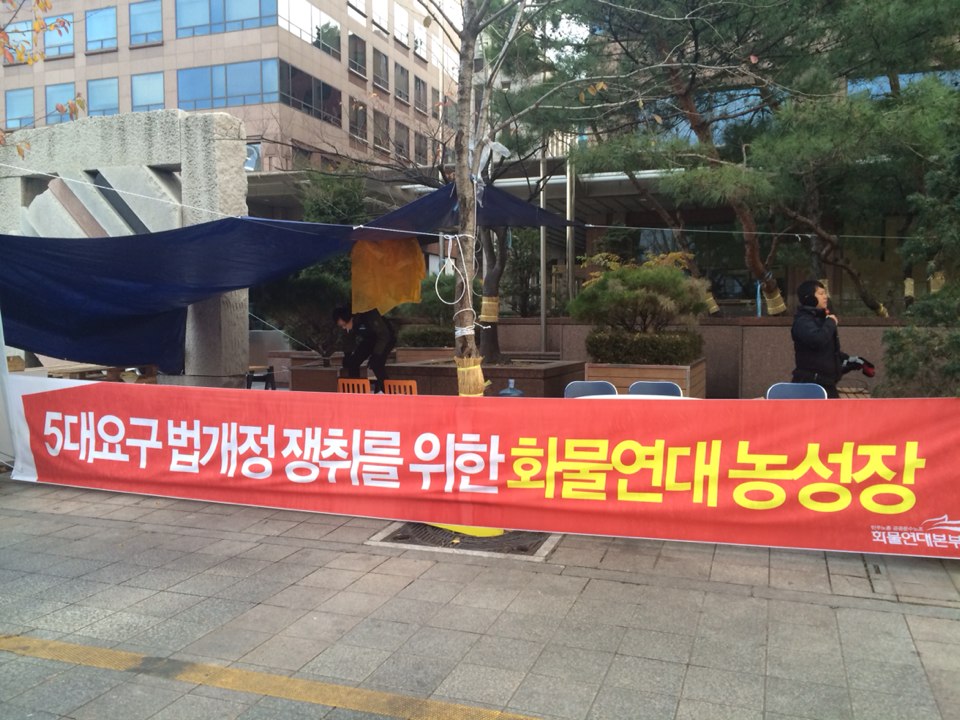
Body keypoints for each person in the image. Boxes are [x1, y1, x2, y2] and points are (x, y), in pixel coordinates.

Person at [790, 280, 847, 398]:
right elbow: (817, 340)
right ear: (809, 298)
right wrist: (831, 323)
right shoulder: (803, 321)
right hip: (810, 385)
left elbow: (828, 351)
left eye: (825, 293)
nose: (825, 297)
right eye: (821, 294)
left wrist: (851, 361)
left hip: (827, 382)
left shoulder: (821, 319)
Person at [332, 305, 396, 393]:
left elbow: (384, 334)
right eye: (341, 326)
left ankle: (389, 393)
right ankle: (355, 392)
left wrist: (377, 354)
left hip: (386, 338)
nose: (344, 327)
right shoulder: (349, 324)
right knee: (353, 362)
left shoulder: (368, 315)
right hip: (370, 339)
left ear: (350, 318)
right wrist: (347, 354)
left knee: (376, 365)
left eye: (344, 325)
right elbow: (348, 339)